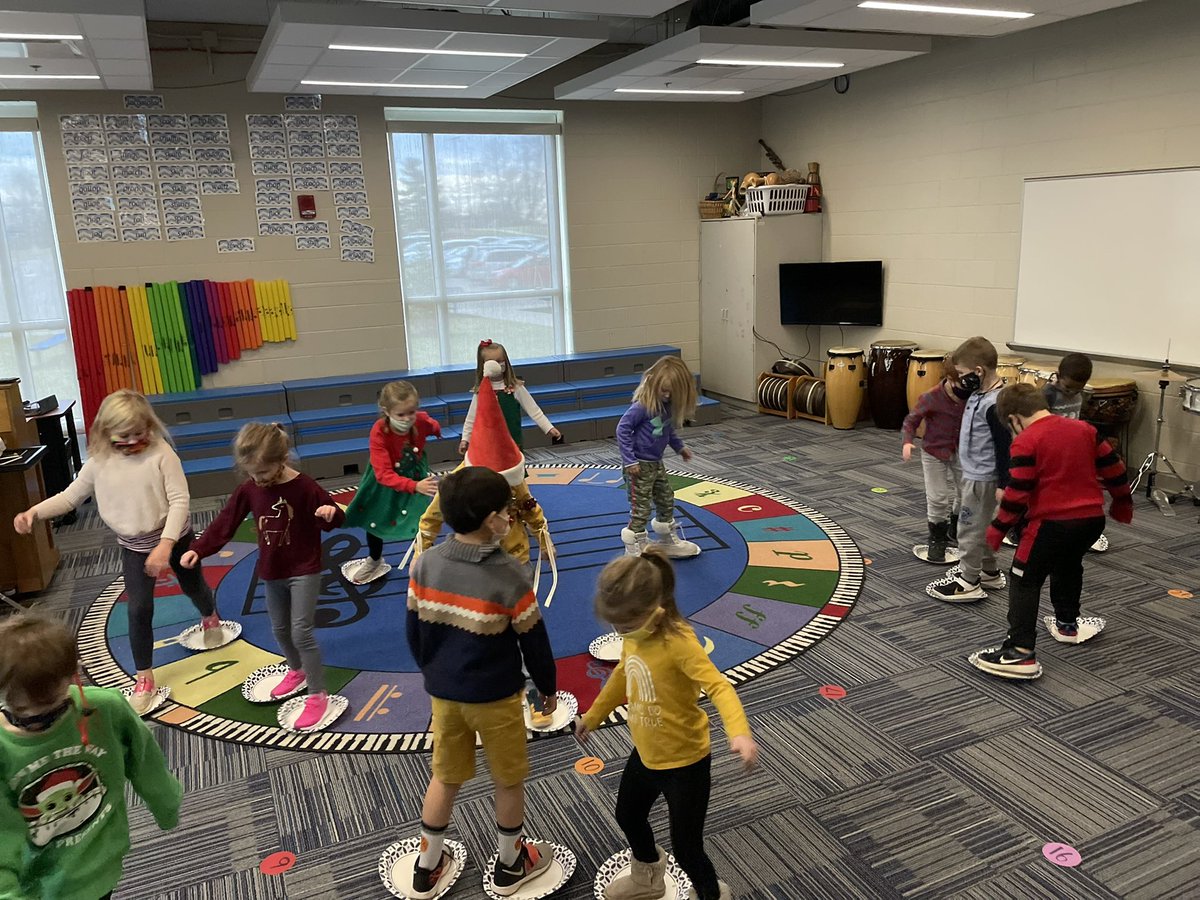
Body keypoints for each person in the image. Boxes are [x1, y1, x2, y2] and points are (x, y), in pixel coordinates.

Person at [11, 389, 220, 716]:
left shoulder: (162, 454)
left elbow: (180, 501)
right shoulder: (99, 463)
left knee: (193, 585)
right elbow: (69, 498)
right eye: (125, 435)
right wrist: (34, 512)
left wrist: (165, 545)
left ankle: (210, 616)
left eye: (141, 432)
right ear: (107, 433)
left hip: (174, 537)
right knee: (138, 609)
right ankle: (144, 677)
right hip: (134, 547)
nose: (135, 440)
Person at [405, 466, 560, 899]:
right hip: (495, 697)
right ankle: (512, 863)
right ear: (493, 519)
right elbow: (534, 639)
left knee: (445, 776)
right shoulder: (510, 573)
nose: (512, 518)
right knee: (508, 779)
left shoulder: (425, 563)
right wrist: (547, 687)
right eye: (508, 511)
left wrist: (432, 670)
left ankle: (427, 866)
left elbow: (414, 630)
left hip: (444, 695)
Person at [576, 546, 759, 900]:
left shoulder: (678, 642)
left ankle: (710, 894)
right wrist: (594, 715)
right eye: (615, 624)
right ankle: (648, 878)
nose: (620, 631)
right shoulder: (634, 637)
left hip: (686, 763)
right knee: (627, 816)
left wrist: (739, 733)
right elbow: (622, 676)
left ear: (654, 609)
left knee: (687, 846)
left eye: (626, 624)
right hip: (646, 752)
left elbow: (719, 687)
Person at [0, 614, 182, 900]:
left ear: (73, 674)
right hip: (36, 885)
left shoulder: (105, 708)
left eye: (49, 705)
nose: (39, 721)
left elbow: (145, 757)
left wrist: (166, 802)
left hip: (100, 865)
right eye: (25, 711)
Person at [181, 423, 345, 731]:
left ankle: (318, 694)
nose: (259, 480)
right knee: (280, 628)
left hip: (304, 569)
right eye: (252, 475)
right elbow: (225, 522)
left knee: (301, 632)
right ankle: (296, 670)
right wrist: (199, 550)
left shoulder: (305, 486)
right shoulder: (250, 488)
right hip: (272, 570)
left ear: (282, 460)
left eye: (264, 474)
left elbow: (334, 516)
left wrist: (329, 514)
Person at [971, 383, 1132, 679]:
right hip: (1091, 521)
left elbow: (1018, 494)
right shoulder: (1085, 429)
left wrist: (997, 529)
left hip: (1051, 524)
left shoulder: (1026, 440)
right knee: (1068, 565)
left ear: (1015, 419)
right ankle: (1068, 624)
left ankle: (1019, 653)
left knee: (1024, 579)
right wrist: (1122, 501)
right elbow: (1115, 469)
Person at [418, 361, 554, 571]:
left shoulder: (513, 480)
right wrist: (421, 553)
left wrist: (545, 541)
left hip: (515, 557)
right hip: (472, 561)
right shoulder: (457, 483)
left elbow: (529, 507)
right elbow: (432, 517)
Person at [927, 337, 1012, 602]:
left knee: (968, 527)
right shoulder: (979, 392)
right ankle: (988, 571)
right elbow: (957, 390)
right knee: (981, 526)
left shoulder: (994, 403)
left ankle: (968, 580)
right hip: (973, 474)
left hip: (982, 479)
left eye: (964, 375)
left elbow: (1004, 446)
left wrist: (1003, 485)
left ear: (979, 372)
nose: (961, 381)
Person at [342, 381, 441, 584]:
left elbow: (431, 425)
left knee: (424, 517)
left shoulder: (420, 420)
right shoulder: (379, 432)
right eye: (401, 415)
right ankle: (375, 559)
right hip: (383, 481)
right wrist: (414, 486)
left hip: (413, 472)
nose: (407, 419)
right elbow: (384, 475)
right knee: (374, 520)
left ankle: (423, 559)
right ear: (386, 411)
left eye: (411, 412)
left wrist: (436, 430)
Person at [617, 356, 700, 558]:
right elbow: (622, 429)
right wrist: (630, 460)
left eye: (672, 392)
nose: (667, 395)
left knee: (666, 499)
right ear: (653, 383)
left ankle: (665, 539)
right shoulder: (642, 407)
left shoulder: (666, 407)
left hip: (656, 464)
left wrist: (680, 448)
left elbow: (667, 431)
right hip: (638, 466)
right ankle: (633, 546)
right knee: (641, 507)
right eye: (664, 390)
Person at [901, 353, 968, 563]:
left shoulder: (972, 395)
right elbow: (912, 420)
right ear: (948, 378)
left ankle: (955, 527)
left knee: (966, 492)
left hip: (961, 451)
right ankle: (937, 537)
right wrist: (907, 441)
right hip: (934, 453)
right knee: (938, 497)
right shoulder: (931, 397)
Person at [459, 339, 561, 455]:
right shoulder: (481, 392)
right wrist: (465, 439)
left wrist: (548, 427)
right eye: (492, 362)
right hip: (490, 441)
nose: (497, 364)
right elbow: (471, 418)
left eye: (500, 361)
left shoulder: (515, 388)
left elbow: (534, 410)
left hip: (512, 439)